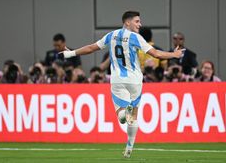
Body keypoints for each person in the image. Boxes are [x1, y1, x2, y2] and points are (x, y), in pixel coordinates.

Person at [60, 11, 183, 158]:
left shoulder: (111, 36)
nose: (140, 24)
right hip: (135, 81)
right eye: (137, 21)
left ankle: (124, 113)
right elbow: (156, 54)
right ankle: (129, 146)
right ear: (127, 23)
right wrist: (173, 55)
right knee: (134, 117)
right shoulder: (136, 38)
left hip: (118, 79)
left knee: (122, 116)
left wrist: (71, 53)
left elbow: (92, 48)